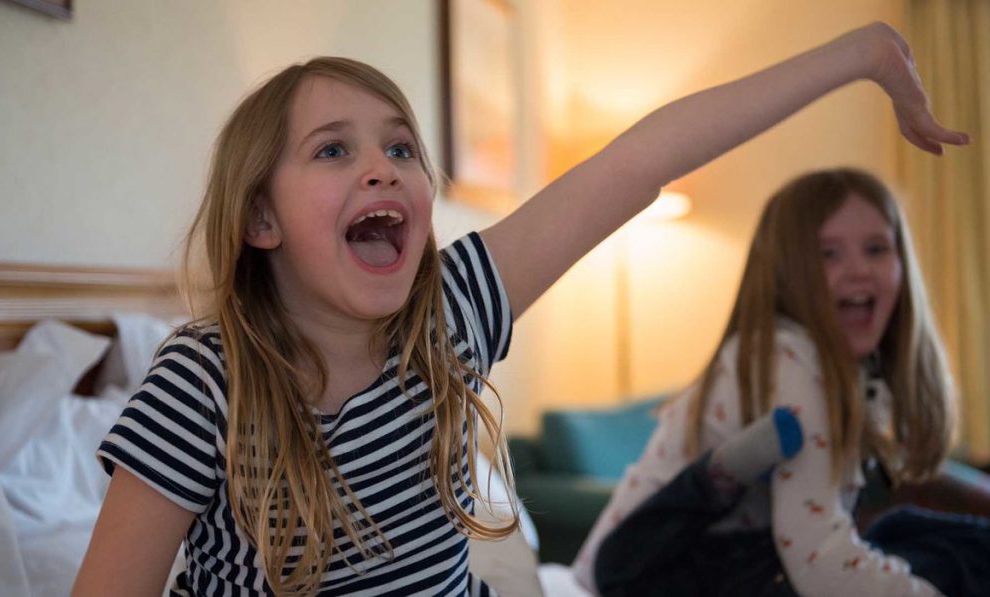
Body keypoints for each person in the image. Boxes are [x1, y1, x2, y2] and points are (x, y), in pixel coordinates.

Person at [72, 21, 967, 596]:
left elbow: (641, 159)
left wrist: (860, 56)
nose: (382, 166)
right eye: (333, 150)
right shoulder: (204, 379)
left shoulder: (450, 310)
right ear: (259, 216)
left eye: (400, 146)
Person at [575, 168, 990, 596]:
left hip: (736, 561)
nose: (859, 270)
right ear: (786, 275)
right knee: (949, 557)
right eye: (827, 254)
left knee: (935, 542)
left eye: (876, 248)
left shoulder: (856, 375)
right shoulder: (786, 359)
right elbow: (818, 560)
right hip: (643, 575)